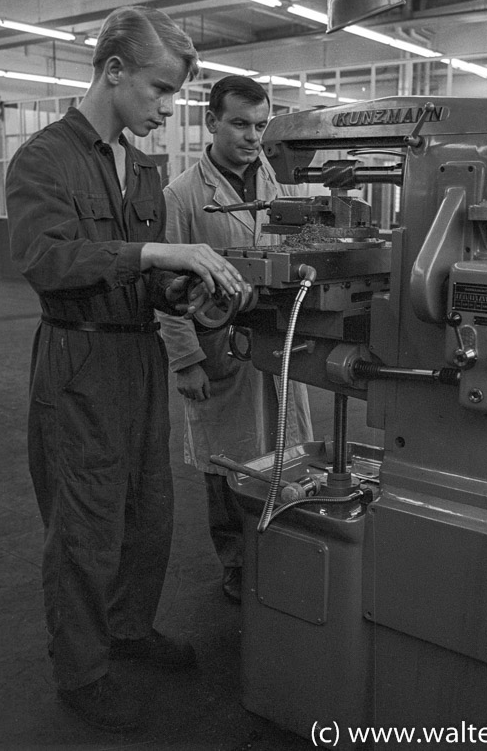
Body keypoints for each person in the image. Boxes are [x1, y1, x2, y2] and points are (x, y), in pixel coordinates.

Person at [5, 5, 245, 733]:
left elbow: (140, 275)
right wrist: (154, 254)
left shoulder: (142, 170)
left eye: (175, 94)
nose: (168, 109)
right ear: (114, 72)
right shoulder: (43, 160)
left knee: (148, 507)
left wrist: (178, 286)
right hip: (79, 360)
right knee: (85, 518)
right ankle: (81, 670)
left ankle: (130, 626)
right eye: (159, 90)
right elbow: (44, 260)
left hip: (139, 352)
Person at [159, 75, 313, 604]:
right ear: (212, 123)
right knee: (226, 462)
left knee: (286, 449)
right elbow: (168, 290)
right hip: (219, 350)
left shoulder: (284, 184)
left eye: (261, 125)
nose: (253, 136)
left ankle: (283, 549)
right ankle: (236, 561)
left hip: (282, 341)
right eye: (240, 124)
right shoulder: (182, 195)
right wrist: (186, 362)